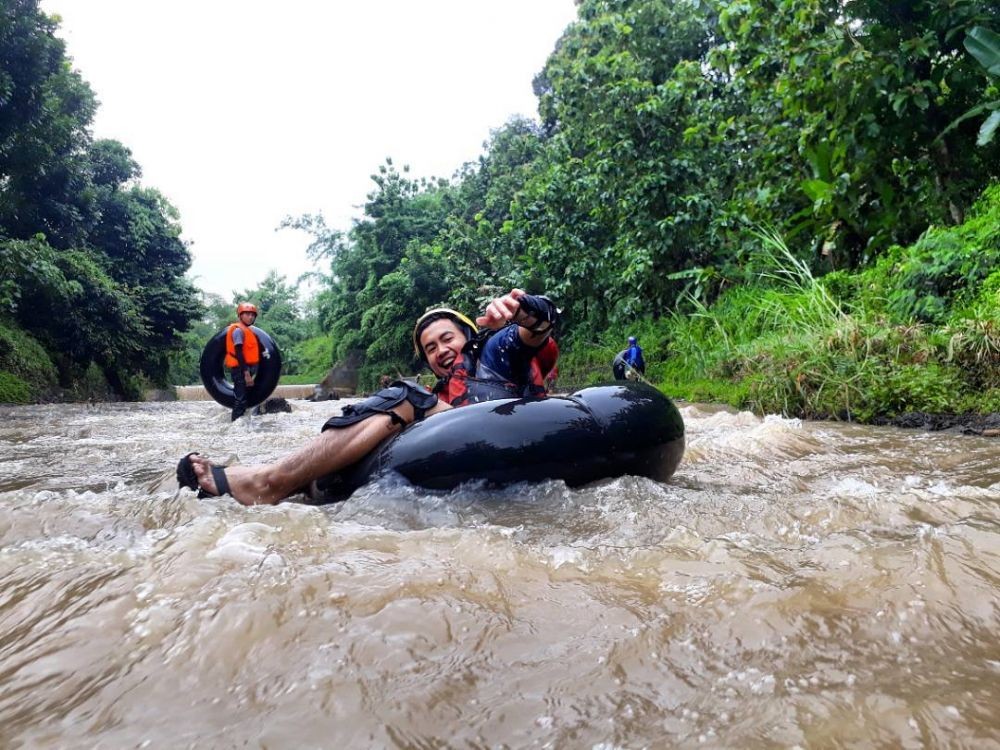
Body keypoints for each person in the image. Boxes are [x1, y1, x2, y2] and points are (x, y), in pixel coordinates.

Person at [176, 289, 559, 505]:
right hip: (474, 459)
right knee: (410, 401)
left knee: (407, 394)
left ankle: (269, 481)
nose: (440, 350)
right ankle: (302, 484)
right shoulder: (440, 393)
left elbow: (538, 327)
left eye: (447, 339)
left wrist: (523, 309)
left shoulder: (495, 350)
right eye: (430, 348)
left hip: (518, 433)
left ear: (467, 336)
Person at [226, 302, 260, 420]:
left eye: (252, 315)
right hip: (240, 371)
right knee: (240, 400)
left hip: (246, 370)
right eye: (247, 314)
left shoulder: (248, 331)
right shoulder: (238, 331)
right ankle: (235, 429)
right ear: (240, 316)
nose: (250, 317)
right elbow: (239, 353)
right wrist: (246, 374)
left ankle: (244, 427)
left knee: (248, 398)